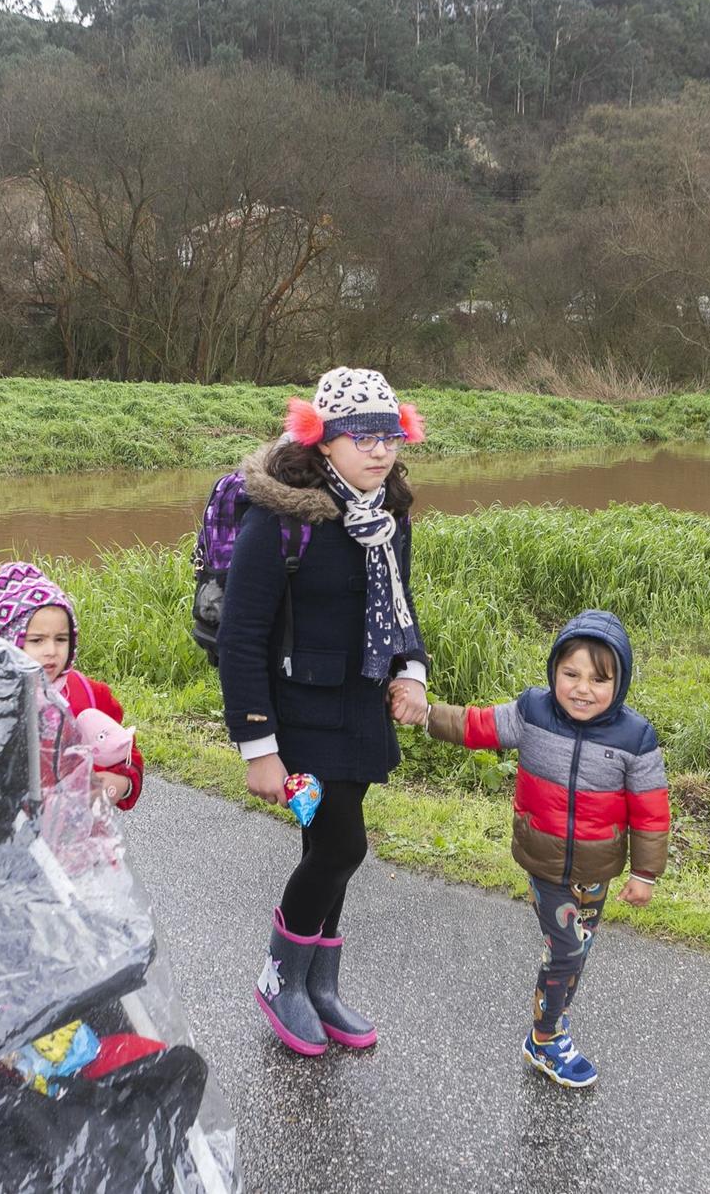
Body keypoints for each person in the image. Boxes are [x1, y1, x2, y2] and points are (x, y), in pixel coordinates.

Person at [215, 366, 429, 1056]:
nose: (379, 449)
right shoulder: (279, 518)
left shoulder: (387, 515)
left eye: (389, 434)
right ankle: (281, 978)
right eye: (361, 435)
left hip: (359, 706)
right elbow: (241, 639)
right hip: (298, 715)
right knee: (343, 844)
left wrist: (412, 674)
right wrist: (258, 746)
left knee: (324, 850)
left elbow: (401, 608)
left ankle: (319, 985)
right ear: (322, 440)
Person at [401, 610, 669, 1088]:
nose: (582, 689)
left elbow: (651, 812)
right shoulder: (533, 713)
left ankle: (553, 1021)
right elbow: (477, 725)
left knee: (577, 953)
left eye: (598, 679)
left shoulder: (636, 737)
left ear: (620, 682)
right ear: (554, 672)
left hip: (597, 868)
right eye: (571, 674)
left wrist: (644, 874)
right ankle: (545, 1039)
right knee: (565, 949)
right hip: (545, 863)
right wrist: (425, 714)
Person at [0, 561, 143, 809]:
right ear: (8, 642)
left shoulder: (89, 694)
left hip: (78, 836)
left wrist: (118, 783)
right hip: (7, 836)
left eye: (61, 639)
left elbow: (125, 753)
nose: (51, 651)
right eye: (36, 640)